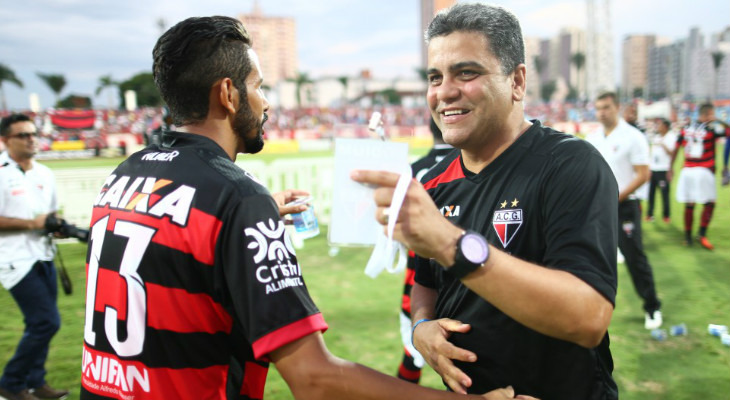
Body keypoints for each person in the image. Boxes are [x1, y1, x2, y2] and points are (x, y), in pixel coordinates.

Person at [79, 16, 532, 400]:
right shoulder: (236, 198)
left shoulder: (124, 176)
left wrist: (237, 223)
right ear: (228, 95)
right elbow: (314, 378)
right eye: (259, 87)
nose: (267, 102)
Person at [352, 4, 618, 398]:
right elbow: (426, 283)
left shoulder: (569, 165)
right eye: (435, 77)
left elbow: (588, 316)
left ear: (517, 81)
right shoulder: (434, 183)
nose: (444, 92)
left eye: (466, 72)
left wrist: (451, 243)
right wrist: (422, 327)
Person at [0, 114, 69, 400]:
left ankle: (35, 381)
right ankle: (11, 384)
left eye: (33, 134)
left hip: (44, 256)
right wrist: (33, 224)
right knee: (46, 322)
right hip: (14, 260)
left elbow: (50, 215)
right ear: (5, 141)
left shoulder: (44, 173)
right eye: (23, 135)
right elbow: (34, 220)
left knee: (38, 323)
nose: (31, 139)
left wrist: (57, 226)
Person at [586, 92, 663, 330]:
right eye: (598, 108)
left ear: (617, 107)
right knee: (590, 258)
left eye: (606, 107)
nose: (602, 112)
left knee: (634, 257)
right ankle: (592, 310)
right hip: (598, 206)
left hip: (625, 206)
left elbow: (643, 174)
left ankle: (652, 307)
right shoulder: (593, 137)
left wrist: (615, 196)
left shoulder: (633, 136)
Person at [397, 118, 453, 384]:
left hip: (418, 275)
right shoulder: (473, 170)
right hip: (467, 276)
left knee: (413, 347)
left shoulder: (412, 171)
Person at [668, 103, 730, 250]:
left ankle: (688, 238)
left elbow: (676, 149)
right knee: (709, 203)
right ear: (709, 114)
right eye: (712, 114)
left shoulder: (685, 130)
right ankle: (701, 234)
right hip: (704, 171)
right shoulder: (711, 130)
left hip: (687, 172)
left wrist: (670, 168)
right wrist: (719, 121)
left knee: (690, 204)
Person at [646, 118, 677, 223]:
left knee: (664, 194)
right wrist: (649, 168)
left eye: (660, 125)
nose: (658, 127)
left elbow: (673, 153)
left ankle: (666, 215)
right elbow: (652, 154)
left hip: (664, 170)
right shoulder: (656, 137)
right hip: (654, 169)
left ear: (666, 127)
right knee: (651, 193)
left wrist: (664, 146)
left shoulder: (671, 137)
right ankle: (650, 214)